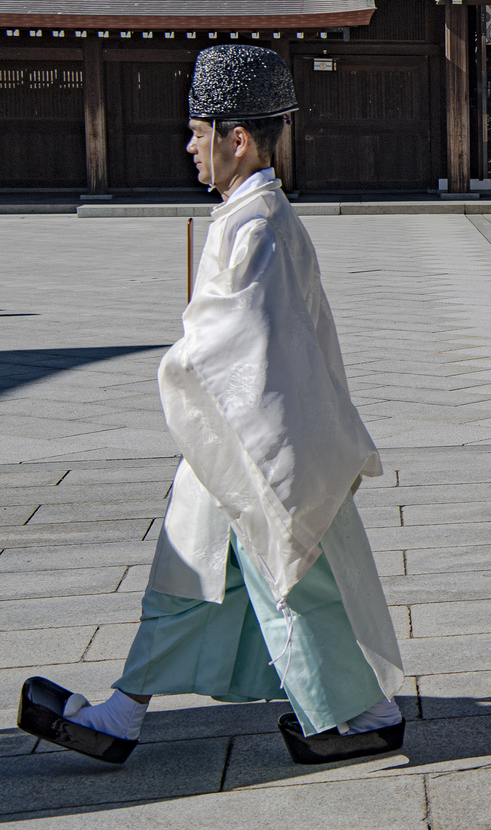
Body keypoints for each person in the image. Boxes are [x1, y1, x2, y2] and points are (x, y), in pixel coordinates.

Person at [18, 45, 404, 766]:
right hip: (240, 439)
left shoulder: (256, 225)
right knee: (198, 574)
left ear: (238, 139)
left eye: (199, 132)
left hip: (253, 445)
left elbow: (238, 345)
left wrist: (183, 356)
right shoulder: (254, 215)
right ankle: (127, 712)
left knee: (275, 584)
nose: (189, 146)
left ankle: (365, 713)